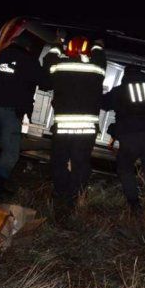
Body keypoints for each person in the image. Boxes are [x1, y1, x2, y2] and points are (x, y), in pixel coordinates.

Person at [0, 31, 49, 198]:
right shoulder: (28, 60)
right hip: (8, 109)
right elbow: (45, 82)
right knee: (11, 151)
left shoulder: (3, 54)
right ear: (28, 47)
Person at [42, 35, 106, 218]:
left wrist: (56, 45)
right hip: (86, 130)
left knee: (59, 162)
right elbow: (101, 58)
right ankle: (74, 198)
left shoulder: (59, 68)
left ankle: (60, 193)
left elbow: (47, 60)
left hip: (62, 129)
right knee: (80, 164)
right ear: (88, 51)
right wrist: (98, 46)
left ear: (68, 50)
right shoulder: (96, 69)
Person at [101, 65, 145, 220]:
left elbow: (103, 103)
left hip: (130, 138)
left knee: (124, 168)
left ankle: (133, 203)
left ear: (125, 75)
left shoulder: (119, 91)